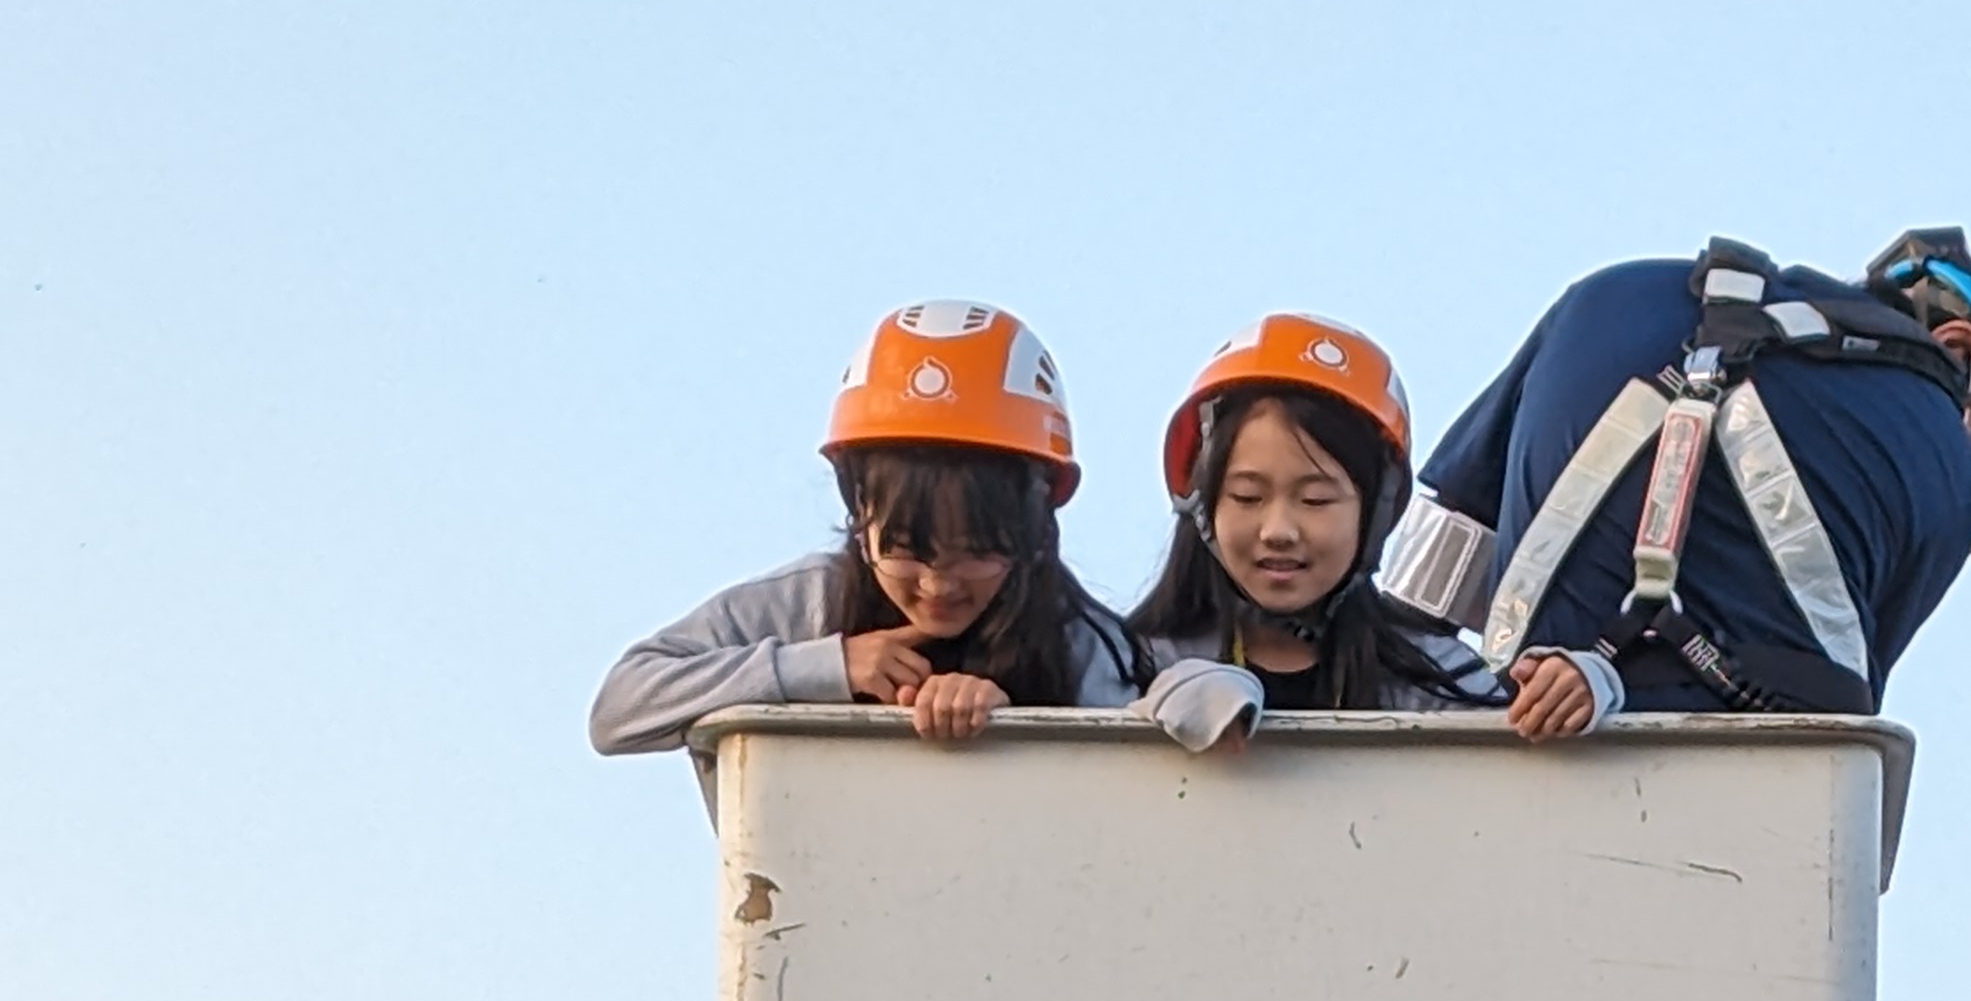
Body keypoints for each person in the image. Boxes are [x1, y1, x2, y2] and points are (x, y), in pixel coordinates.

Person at [1387, 232, 1971, 716]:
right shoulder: (1946, 463)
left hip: (1525, 735)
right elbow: (1848, 709)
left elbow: (1421, 591)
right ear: (1957, 347)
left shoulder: (1605, 295)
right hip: (1747, 804)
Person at [591, 303, 1138, 763]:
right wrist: (826, 666)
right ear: (859, 511)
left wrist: (1014, 726)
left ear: (1035, 521)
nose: (938, 584)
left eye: (975, 551)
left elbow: (1132, 786)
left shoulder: (1081, 644)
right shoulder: (810, 603)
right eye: (907, 549)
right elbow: (621, 710)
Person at [1129, 314, 1620, 754]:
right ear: (1200, 501)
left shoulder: (1429, 676)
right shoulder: (1133, 660)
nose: (1278, 530)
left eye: (1316, 500)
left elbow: (1523, 782)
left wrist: (1579, 692)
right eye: (1247, 497)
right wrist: (1139, 705)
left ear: (1379, 510)